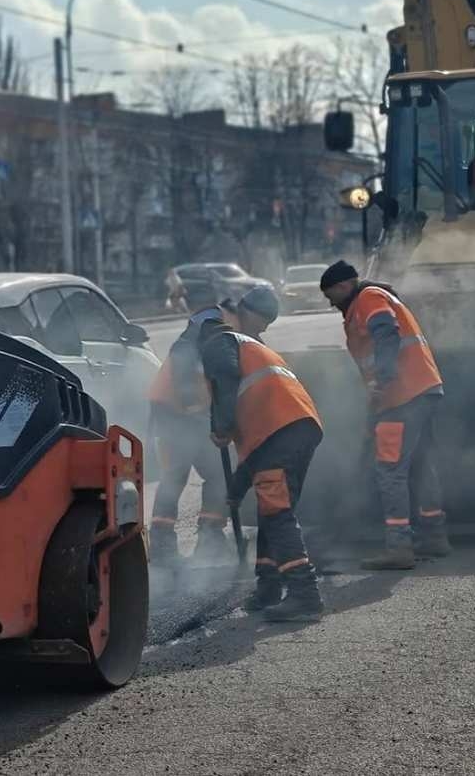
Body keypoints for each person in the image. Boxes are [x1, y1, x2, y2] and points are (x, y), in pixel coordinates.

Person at [199, 288, 324, 621]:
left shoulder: (217, 343)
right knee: (274, 510)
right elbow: (255, 453)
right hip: (297, 427)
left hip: (279, 430)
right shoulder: (251, 347)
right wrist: (236, 491)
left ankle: (304, 594)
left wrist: (222, 426)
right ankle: (268, 587)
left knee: (277, 513)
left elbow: (224, 379)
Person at [320, 261, 449, 571]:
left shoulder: (368, 298)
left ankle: (399, 547)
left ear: (343, 286)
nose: (331, 303)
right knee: (420, 464)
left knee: (390, 470)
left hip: (401, 396)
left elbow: (386, 333)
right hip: (421, 391)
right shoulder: (371, 300)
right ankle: (434, 535)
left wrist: (383, 380)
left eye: (330, 295)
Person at [146, 280, 228, 566]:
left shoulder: (195, 327)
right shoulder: (203, 330)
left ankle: (163, 543)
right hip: (181, 413)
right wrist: (200, 415)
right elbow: (188, 376)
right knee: (216, 474)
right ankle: (207, 537)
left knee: (175, 476)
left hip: (171, 412)